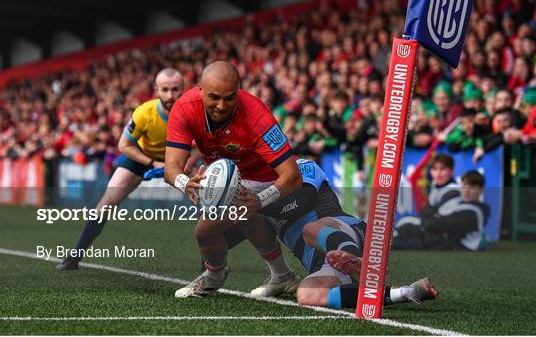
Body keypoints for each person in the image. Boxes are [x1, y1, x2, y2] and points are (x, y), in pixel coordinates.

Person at [216, 159, 438, 308]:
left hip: (345, 232)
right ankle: (405, 292)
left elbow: (300, 200)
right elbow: (224, 241)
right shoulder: (252, 196)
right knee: (306, 295)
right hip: (321, 260)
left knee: (309, 229)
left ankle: (358, 262)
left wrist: (257, 205)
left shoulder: (302, 166)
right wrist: (217, 213)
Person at [164, 60, 303, 298]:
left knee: (205, 230)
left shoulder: (257, 117)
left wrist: (259, 200)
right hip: (225, 174)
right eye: (214, 97)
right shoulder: (184, 107)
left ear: (238, 90)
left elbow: (292, 176)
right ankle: (282, 276)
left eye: (229, 98)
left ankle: (214, 276)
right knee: (219, 227)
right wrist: (184, 182)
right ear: (199, 89)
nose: (221, 105)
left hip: (263, 178)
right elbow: (171, 168)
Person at [56, 69, 186, 270]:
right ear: (156, 89)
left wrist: (179, 164)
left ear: (183, 88)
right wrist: (151, 163)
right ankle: (76, 255)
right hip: (143, 158)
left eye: (175, 89)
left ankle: (210, 267)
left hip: (179, 158)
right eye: (165, 90)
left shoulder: (192, 112)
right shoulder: (144, 112)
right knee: (107, 202)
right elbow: (124, 145)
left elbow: (197, 146)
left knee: (207, 197)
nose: (170, 95)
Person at [393, 171, 490, 251]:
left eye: (472, 187)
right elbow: (434, 212)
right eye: (464, 186)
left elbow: (446, 224)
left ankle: (391, 242)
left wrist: (428, 222)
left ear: (481, 190)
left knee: (416, 239)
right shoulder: (458, 201)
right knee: (409, 227)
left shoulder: (476, 211)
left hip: (456, 245)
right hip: (440, 235)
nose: (467, 191)